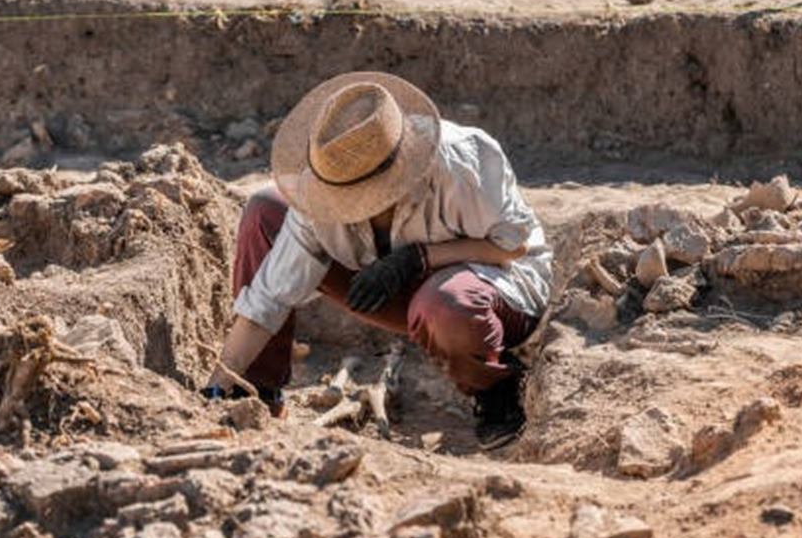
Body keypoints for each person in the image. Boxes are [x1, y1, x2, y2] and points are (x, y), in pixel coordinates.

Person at [203, 72, 552, 449]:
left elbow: (512, 246)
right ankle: (254, 392)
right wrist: (220, 384)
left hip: (498, 287)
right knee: (266, 209)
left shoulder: (462, 161)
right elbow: (268, 297)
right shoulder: (323, 188)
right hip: (403, 293)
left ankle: (495, 387)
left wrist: (417, 258)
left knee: (445, 304)